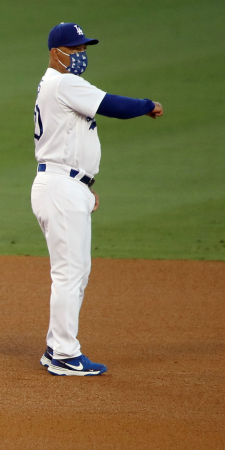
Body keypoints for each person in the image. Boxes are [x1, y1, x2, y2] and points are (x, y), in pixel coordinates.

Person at [32, 22, 163, 375]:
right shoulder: (64, 82)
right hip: (60, 186)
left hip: (64, 185)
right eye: (74, 50)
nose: (80, 56)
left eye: (83, 50)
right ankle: (63, 354)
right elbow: (113, 106)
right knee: (69, 273)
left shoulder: (51, 85)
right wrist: (147, 104)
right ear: (54, 52)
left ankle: (56, 347)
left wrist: (82, 188)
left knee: (75, 271)